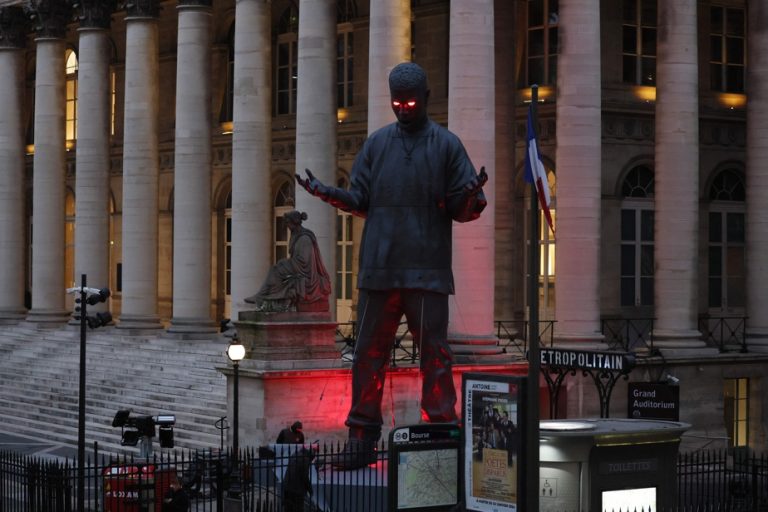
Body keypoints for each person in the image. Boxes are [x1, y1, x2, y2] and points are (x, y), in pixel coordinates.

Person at [296, 61, 487, 469]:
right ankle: (362, 439)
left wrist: (470, 197)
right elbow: (360, 199)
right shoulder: (377, 143)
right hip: (380, 268)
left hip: (427, 271)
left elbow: (464, 209)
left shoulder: (446, 144)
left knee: (434, 356)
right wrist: (328, 193)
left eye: (411, 102)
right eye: (397, 102)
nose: (403, 109)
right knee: (367, 356)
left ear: (427, 99)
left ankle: (438, 433)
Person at [245, 210, 331, 312]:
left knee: (276, 269)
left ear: (294, 222)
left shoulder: (305, 238)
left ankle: (263, 296)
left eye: (288, 223)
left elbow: (305, 262)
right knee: (276, 268)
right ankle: (270, 296)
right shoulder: (296, 235)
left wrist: (287, 263)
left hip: (305, 271)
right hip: (299, 267)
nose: (287, 226)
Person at [281, 447, 315, 512]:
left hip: (287, 486)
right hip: (297, 488)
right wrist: (310, 490)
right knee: (298, 508)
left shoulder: (294, 454)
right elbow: (305, 477)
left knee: (288, 508)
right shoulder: (305, 460)